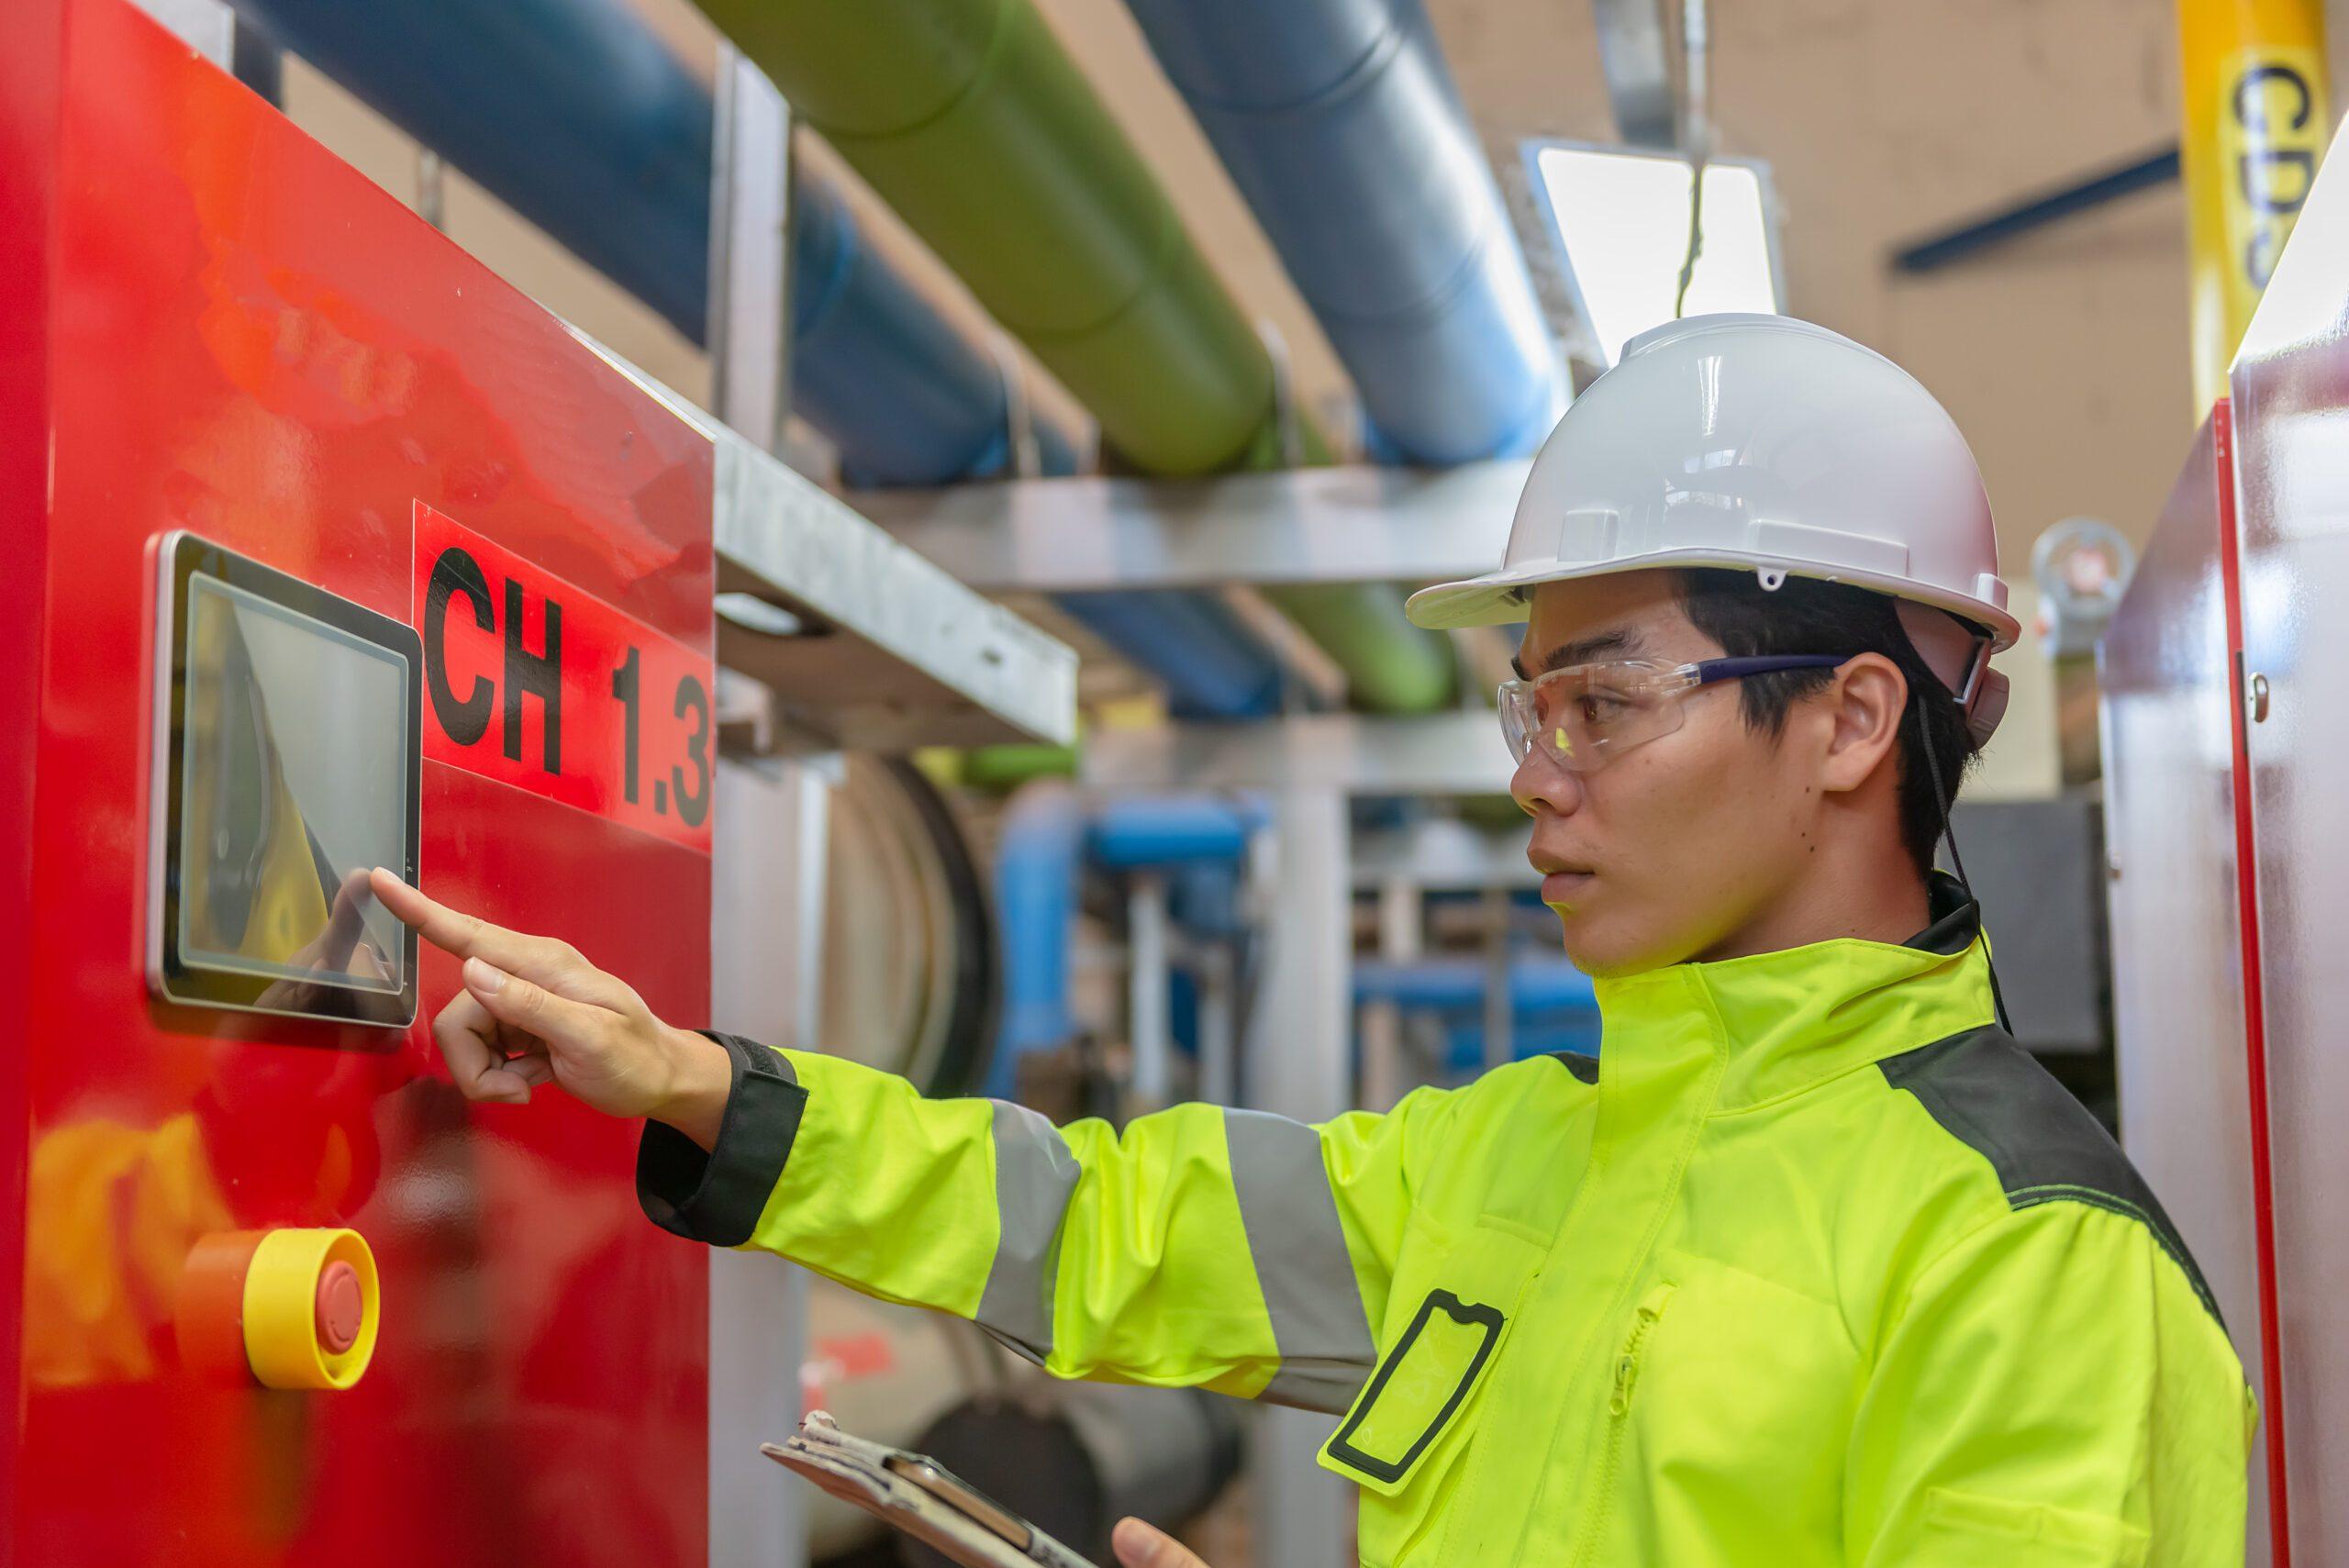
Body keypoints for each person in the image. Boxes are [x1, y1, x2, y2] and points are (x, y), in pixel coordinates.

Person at [373, 315, 2251, 1567]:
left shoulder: (2034, 1279)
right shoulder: (1506, 1156)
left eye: (1599, 703)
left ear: (1847, 722)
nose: (1537, 776)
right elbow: (1094, 1221)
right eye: (1526, 710)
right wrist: (697, 1084)